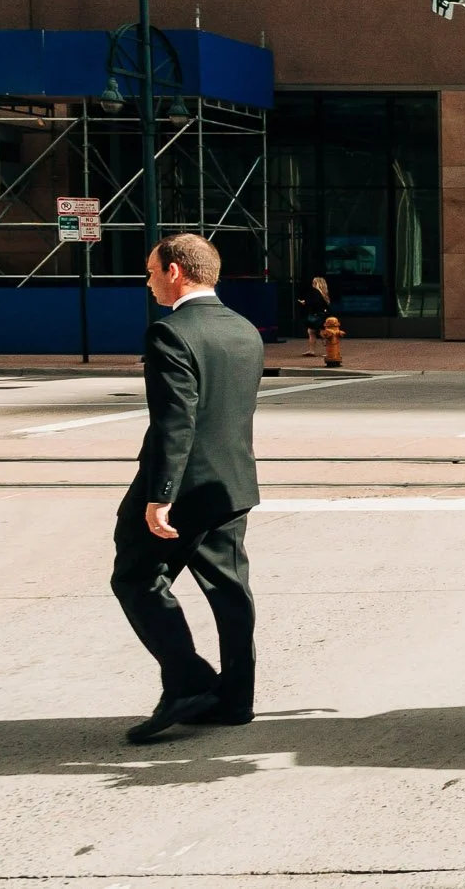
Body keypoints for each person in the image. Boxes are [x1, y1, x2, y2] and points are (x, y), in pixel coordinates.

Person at [113, 233, 264, 745]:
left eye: (151, 271)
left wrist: (161, 496)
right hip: (232, 483)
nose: (148, 282)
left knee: (136, 577)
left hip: (184, 488)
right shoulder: (244, 329)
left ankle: (188, 683)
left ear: (175, 271)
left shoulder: (170, 333)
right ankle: (235, 700)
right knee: (229, 589)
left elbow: (176, 420)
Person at [301, 274, 332, 359]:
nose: (312, 284)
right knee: (313, 331)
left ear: (316, 283)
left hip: (317, 315)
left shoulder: (315, 292)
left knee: (321, 333)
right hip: (323, 315)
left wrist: (305, 302)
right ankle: (313, 351)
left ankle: (328, 351)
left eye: (313, 282)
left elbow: (315, 303)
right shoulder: (324, 293)